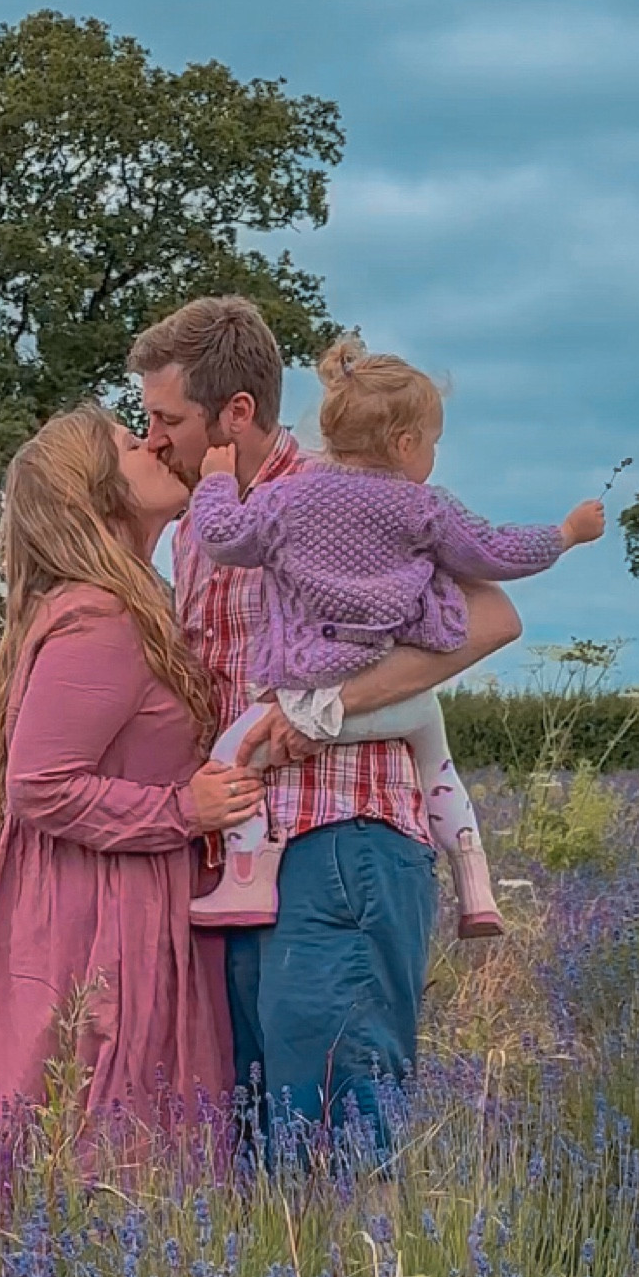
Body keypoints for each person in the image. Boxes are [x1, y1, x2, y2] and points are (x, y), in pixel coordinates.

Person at [131, 296, 526, 1154]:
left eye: (167, 418)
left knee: (338, 1124)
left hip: (341, 831)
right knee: (262, 1121)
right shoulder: (205, 525)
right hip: (245, 847)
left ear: (235, 414)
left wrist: (330, 707)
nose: (153, 435)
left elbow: (492, 618)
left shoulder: (338, 491)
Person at [187, 333, 605, 937]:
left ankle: (247, 881)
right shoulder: (423, 508)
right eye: (433, 443)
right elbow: (495, 553)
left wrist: (216, 481)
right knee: (438, 765)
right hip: (399, 691)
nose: (432, 455)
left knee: (234, 755)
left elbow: (223, 538)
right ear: (405, 444)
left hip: (308, 693)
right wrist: (566, 533)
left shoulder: (286, 500)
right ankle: (476, 890)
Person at [0, 403, 261, 1146]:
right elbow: (40, 783)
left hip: (117, 888)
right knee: (104, 1129)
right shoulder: (100, 616)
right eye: (130, 441)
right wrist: (183, 810)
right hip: (100, 906)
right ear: (94, 491)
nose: (154, 442)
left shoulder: (133, 601)